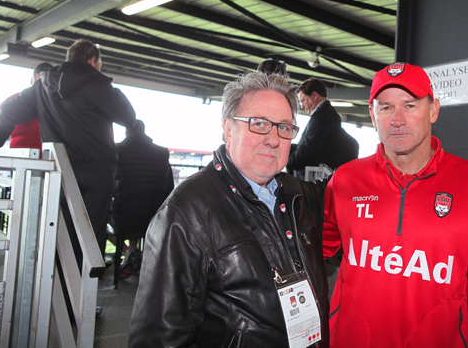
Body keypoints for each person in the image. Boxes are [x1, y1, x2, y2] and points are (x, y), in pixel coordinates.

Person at [129, 72, 329, 347]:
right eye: (259, 123)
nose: (273, 139)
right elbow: (157, 338)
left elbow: (349, 186)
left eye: (284, 127)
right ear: (227, 129)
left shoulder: (296, 195)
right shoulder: (187, 213)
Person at [322, 62, 468, 347]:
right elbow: (311, 249)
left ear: (433, 109)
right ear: (372, 115)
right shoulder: (345, 180)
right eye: (385, 107)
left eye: (410, 105)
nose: (397, 119)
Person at [0, 39, 136, 258]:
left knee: (55, 232)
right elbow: (129, 118)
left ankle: (54, 284)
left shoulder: (43, 85)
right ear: (93, 60)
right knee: (89, 236)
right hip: (97, 175)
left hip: (58, 171)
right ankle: (83, 288)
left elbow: (8, 113)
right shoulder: (99, 84)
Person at [108, 119, 174, 279]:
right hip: (153, 218)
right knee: (139, 205)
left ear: (126, 132)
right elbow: (169, 187)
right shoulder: (161, 152)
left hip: (125, 216)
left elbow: (109, 183)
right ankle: (136, 255)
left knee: (97, 217)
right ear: (144, 132)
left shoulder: (117, 150)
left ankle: (129, 251)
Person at [287, 77, 359, 180]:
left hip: (312, 180)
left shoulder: (322, 116)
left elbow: (308, 149)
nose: (302, 106)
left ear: (314, 96)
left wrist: (288, 162)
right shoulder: (326, 114)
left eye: (303, 101)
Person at [0, 62, 53, 152]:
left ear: (34, 78)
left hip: (18, 157)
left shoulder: (16, 99)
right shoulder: (59, 104)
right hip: (53, 157)